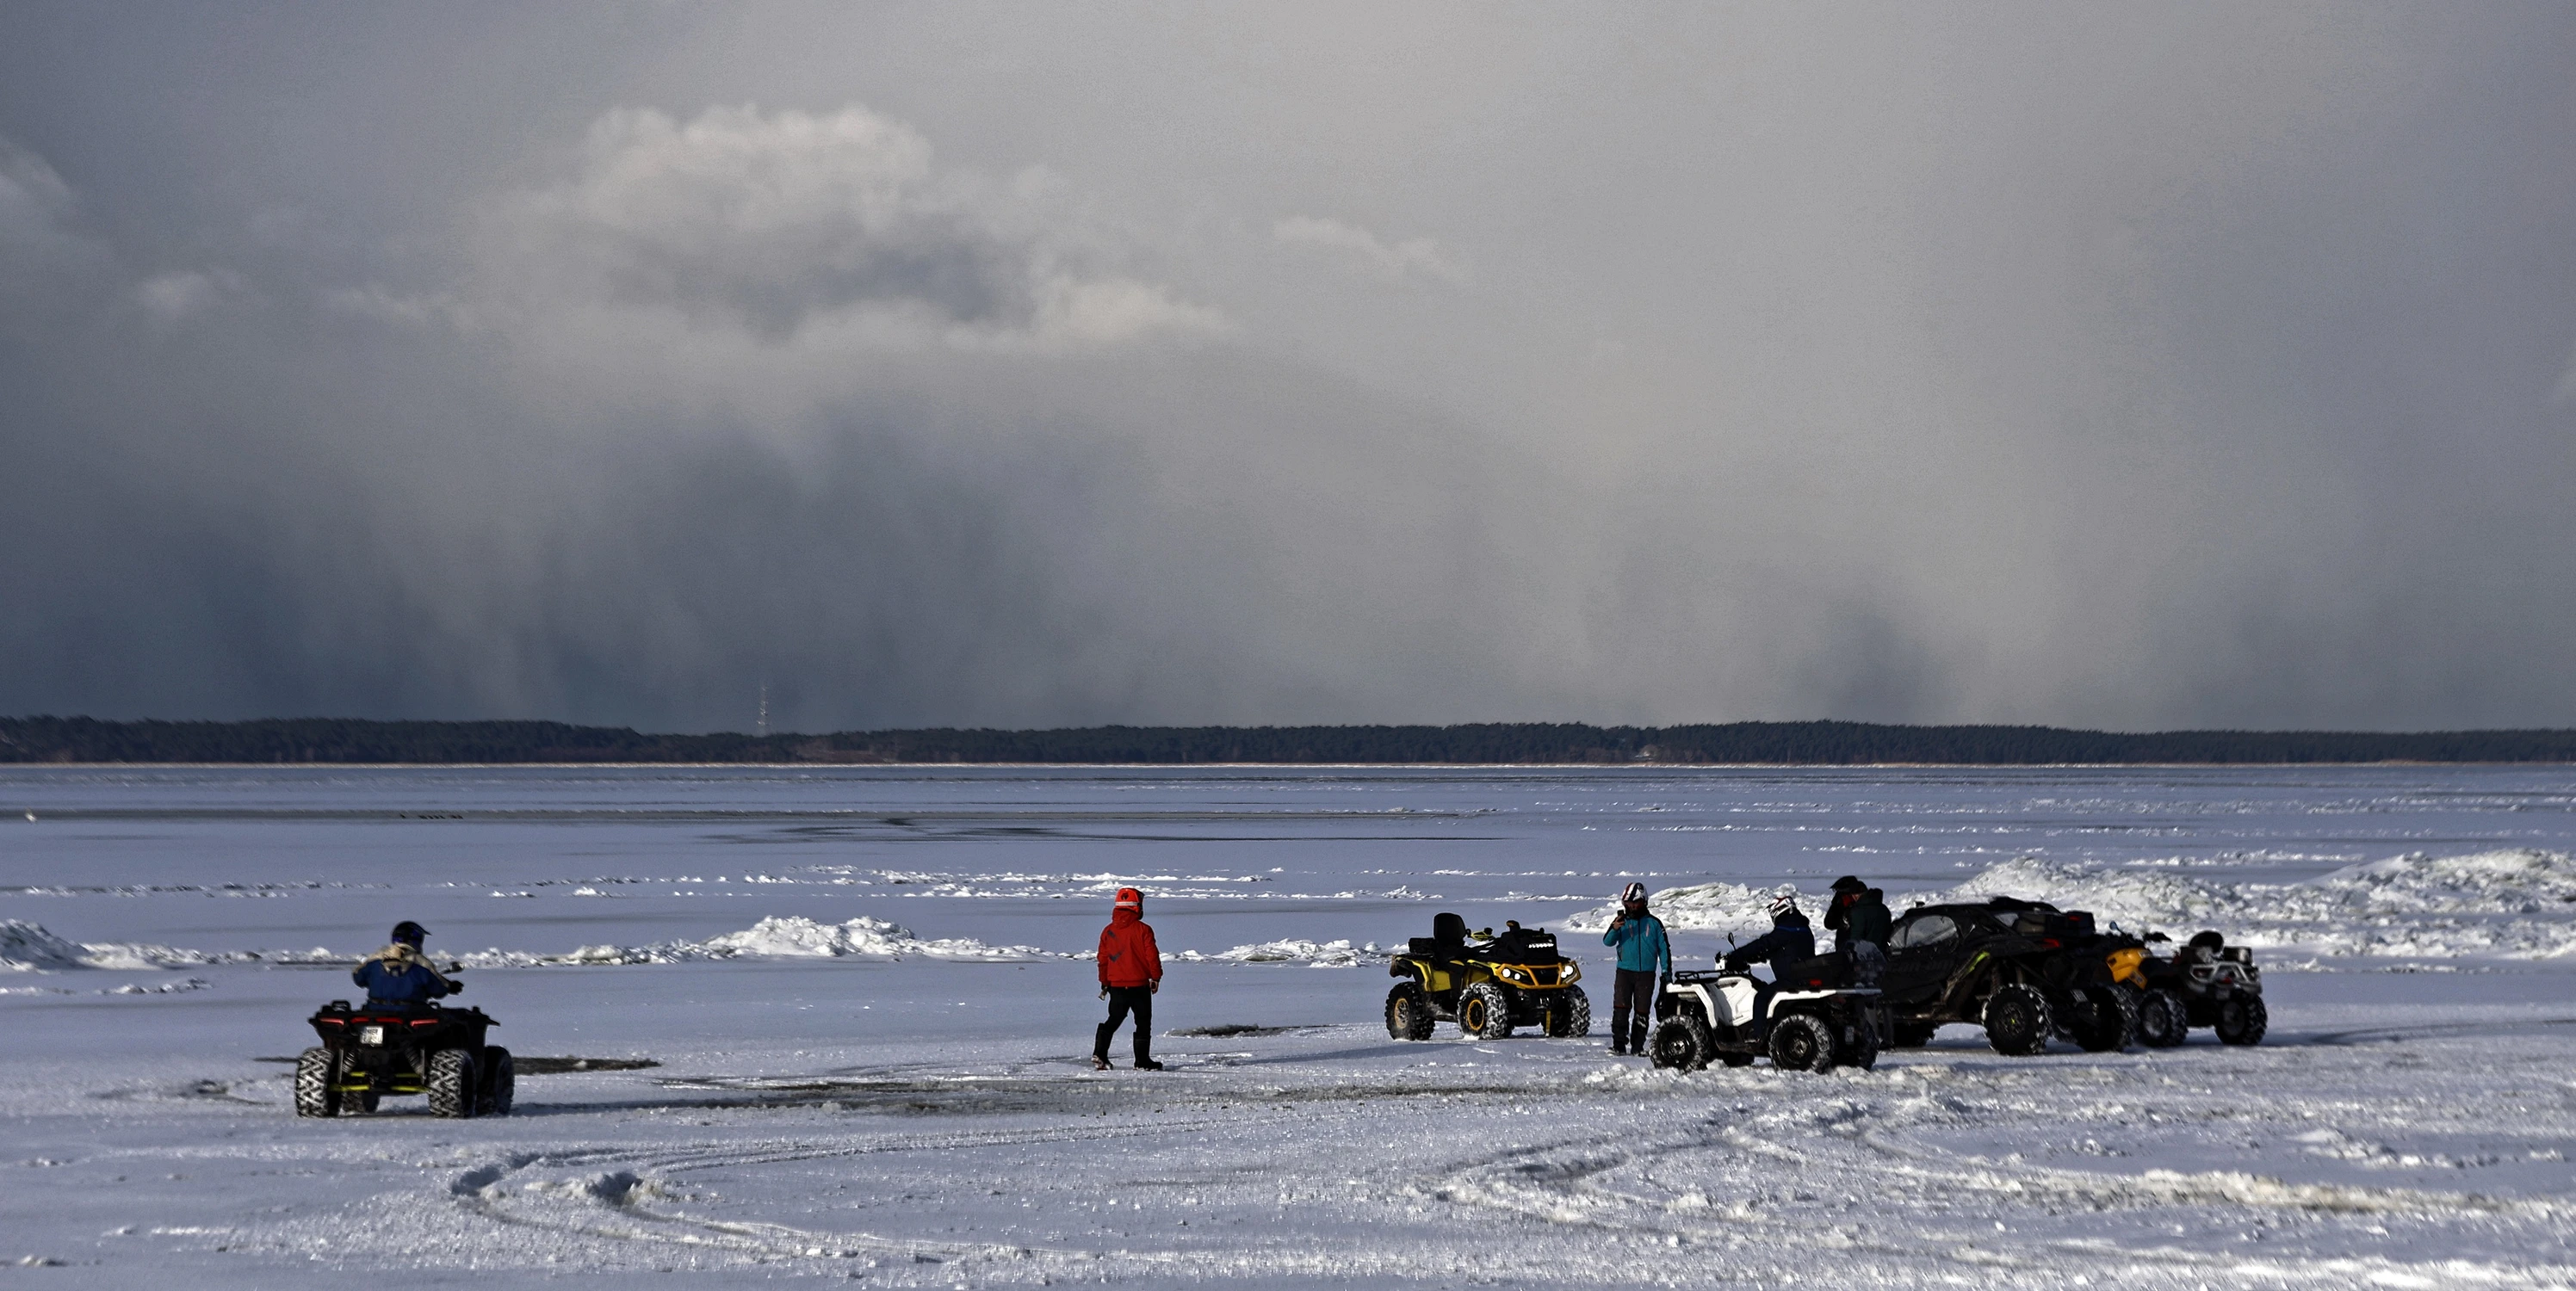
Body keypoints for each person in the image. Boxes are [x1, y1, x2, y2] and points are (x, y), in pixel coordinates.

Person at [1093, 887, 1163, 1071]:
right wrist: (1155, 977)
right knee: (1143, 1022)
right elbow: (1152, 956)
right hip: (1139, 985)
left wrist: (1104, 982)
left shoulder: (1107, 931)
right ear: (1137, 906)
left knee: (1114, 1019)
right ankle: (1142, 1061)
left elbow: (1103, 959)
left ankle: (1099, 1054)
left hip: (1116, 985)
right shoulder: (1143, 930)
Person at [1600, 881, 1671, 1056]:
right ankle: (1619, 1045)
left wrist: (1666, 974)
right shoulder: (1621, 923)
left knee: (1642, 1011)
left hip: (1646, 974)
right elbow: (1607, 941)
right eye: (1627, 904)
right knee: (1621, 1008)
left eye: (1634, 903)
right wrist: (1614, 928)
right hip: (1624, 972)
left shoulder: (1654, 924)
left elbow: (1664, 949)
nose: (1631, 907)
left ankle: (1638, 1046)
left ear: (1643, 902)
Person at [350, 921, 461, 1007]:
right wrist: (449, 986)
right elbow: (438, 990)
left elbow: (358, 978)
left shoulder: (376, 958)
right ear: (416, 940)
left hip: (374, 1010)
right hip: (411, 1012)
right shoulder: (421, 962)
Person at [1724, 894, 1815, 973]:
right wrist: (1758, 956)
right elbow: (1787, 949)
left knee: (1763, 994)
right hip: (1802, 975)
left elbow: (1765, 943)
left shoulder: (1788, 928)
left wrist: (1738, 954)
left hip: (1792, 981)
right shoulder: (1802, 927)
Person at [1824, 876, 1893, 981]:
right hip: (1879, 958)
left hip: (1860, 961)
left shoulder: (1858, 912)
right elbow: (1829, 923)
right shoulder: (1883, 909)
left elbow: (1856, 938)